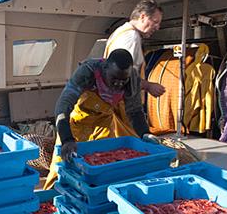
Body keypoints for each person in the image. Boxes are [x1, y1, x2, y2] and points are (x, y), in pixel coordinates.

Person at [43, 49, 148, 189]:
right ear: (105, 69)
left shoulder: (132, 79)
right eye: (114, 79)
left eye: (123, 81)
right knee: (62, 164)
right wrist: (67, 139)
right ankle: (52, 199)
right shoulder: (88, 71)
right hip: (79, 122)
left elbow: (135, 112)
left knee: (104, 163)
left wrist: (146, 135)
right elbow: (63, 106)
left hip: (104, 122)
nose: (118, 84)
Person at [104, 0, 166, 98]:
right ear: (142, 17)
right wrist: (148, 86)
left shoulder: (121, 31)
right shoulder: (131, 37)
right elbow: (121, 76)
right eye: (155, 22)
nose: (157, 27)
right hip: (121, 104)